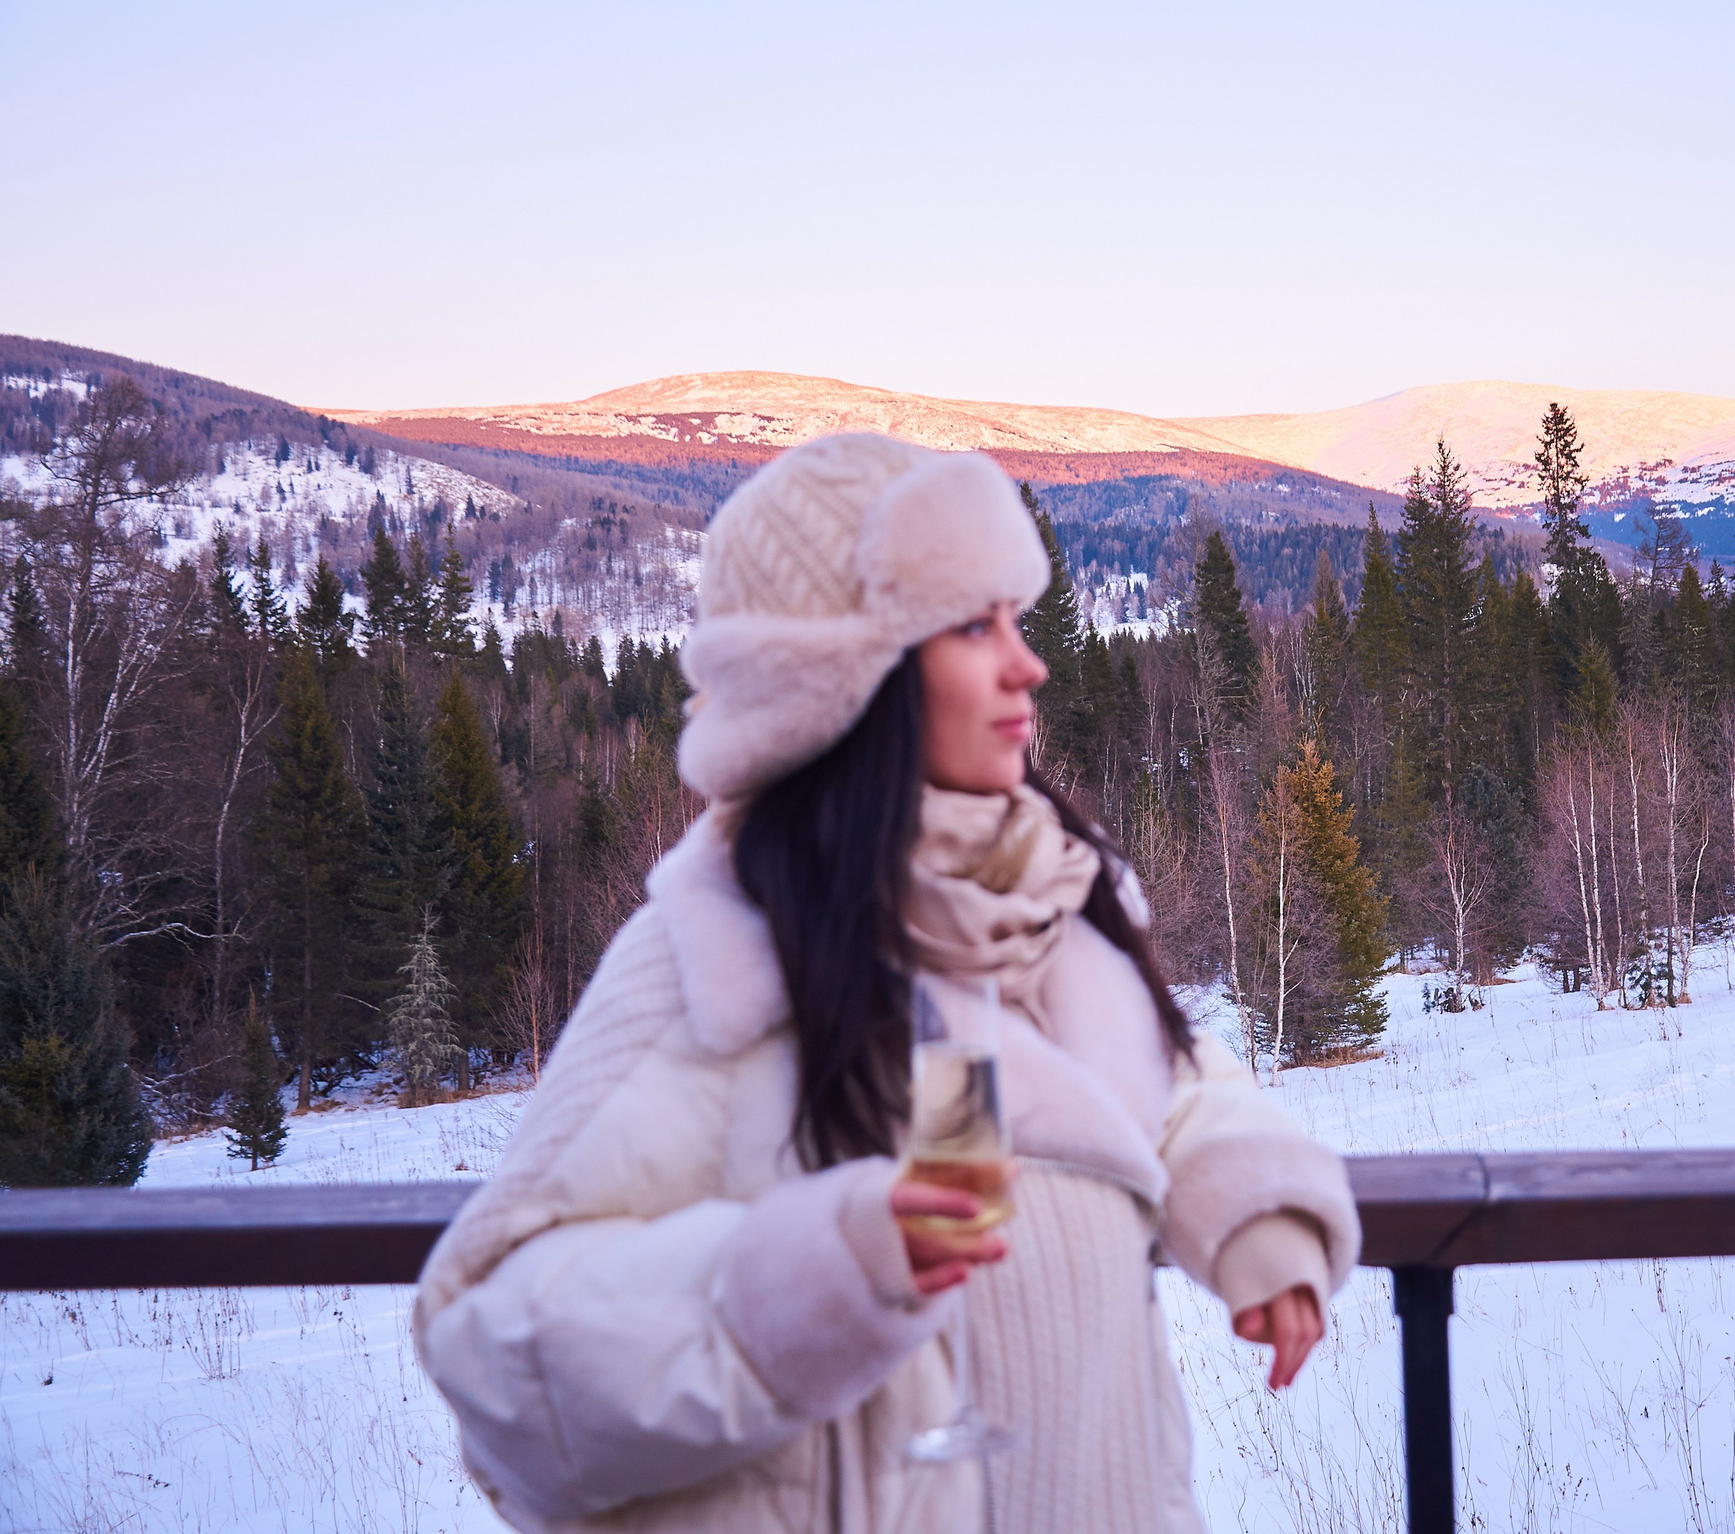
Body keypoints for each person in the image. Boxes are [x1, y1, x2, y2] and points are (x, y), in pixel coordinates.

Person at [413, 435, 1358, 1533]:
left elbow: (1161, 1086)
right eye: (972, 624)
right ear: (839, 682)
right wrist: (808, 1279)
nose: (1027, 664)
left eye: (1019, 618)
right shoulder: (716, 960)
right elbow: (493, 1348)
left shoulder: (1050, 907)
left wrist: (1255, 1218)